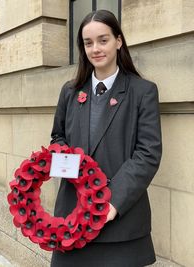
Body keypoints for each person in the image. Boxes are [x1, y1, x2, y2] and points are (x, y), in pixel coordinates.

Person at [50, 9, 162, 267]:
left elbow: (148, 153)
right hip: (73, 220)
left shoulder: (143, 91)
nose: (95, 49)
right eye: (88, 43)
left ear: (118, 41)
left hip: (120, 222)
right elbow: (57, 137)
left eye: (103, 40)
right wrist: (64, 160)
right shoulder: (70, 92)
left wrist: (111, 200)